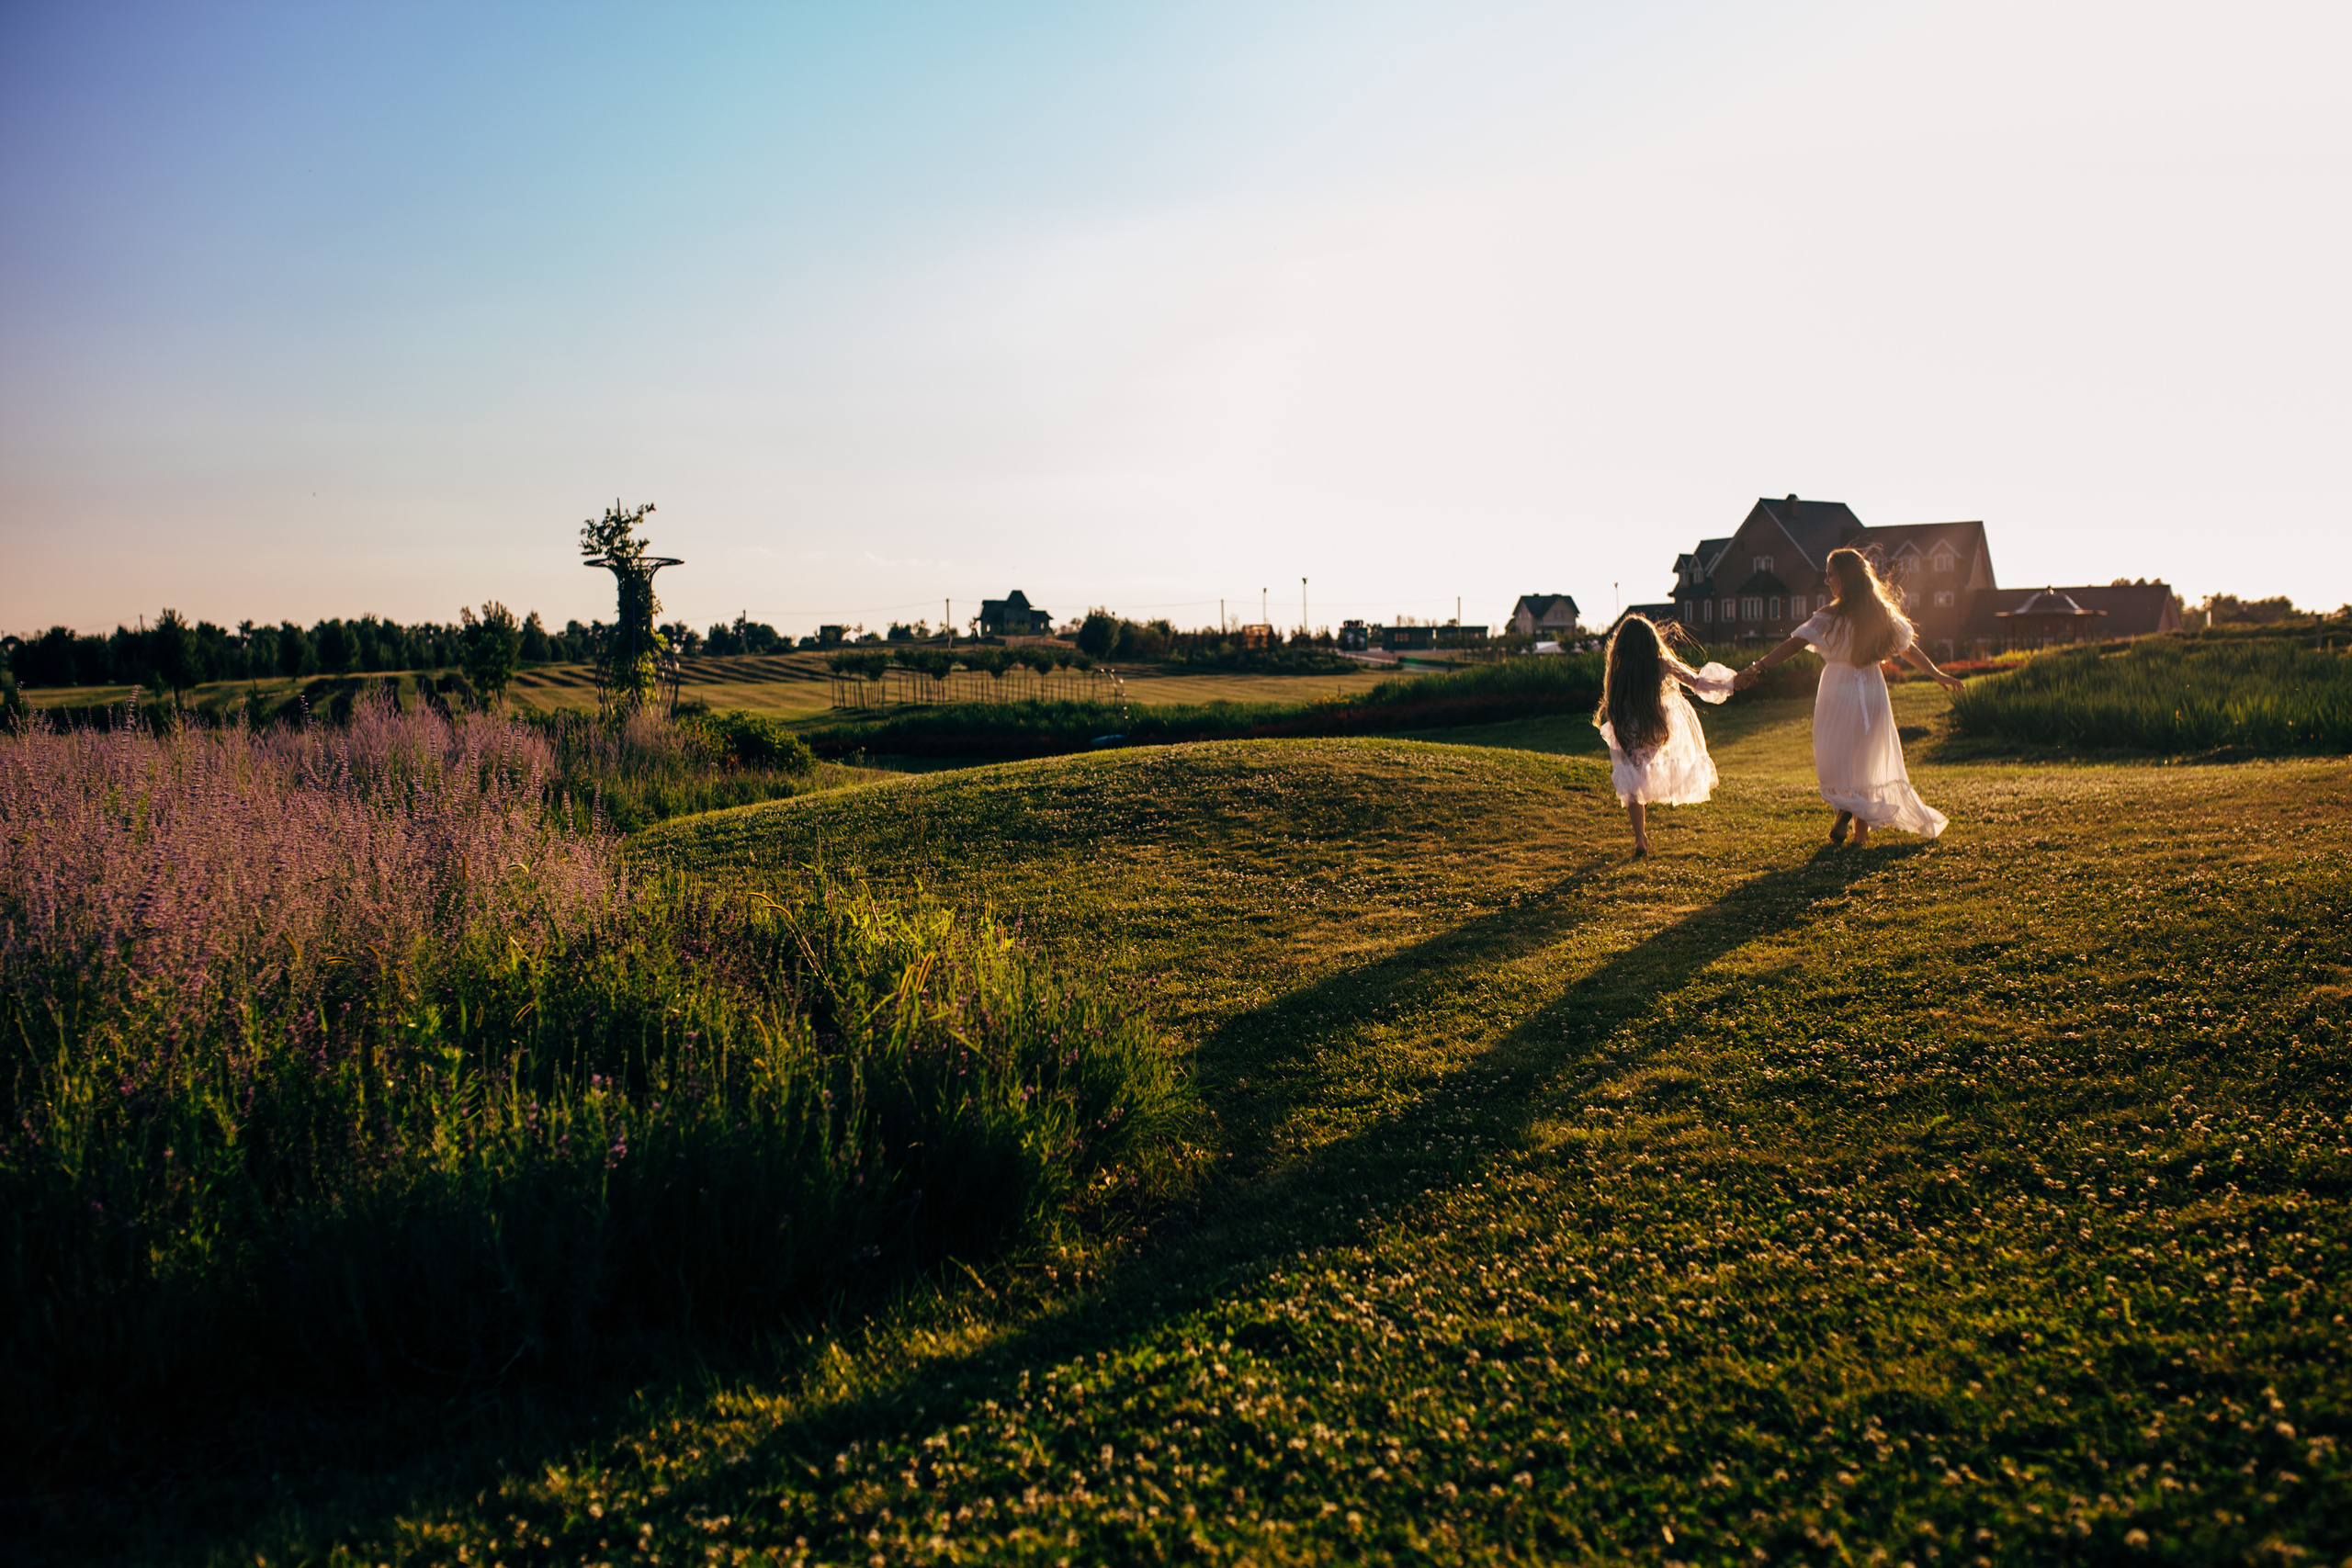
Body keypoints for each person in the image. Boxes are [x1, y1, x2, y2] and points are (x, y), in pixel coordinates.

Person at [1733, 547, 1962, 847]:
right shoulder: (1880, 614)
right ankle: (1859, 834)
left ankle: (1845, 811)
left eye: (1830, 574)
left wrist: (1757, 666)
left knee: (1837, 756)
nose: (1827, 581)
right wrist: (1937, 674)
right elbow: (1909, 650)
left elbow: (1794, 644)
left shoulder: (1830, 615)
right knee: (1865, 759)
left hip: (1837, 687)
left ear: (1845, 577)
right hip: (1870, 686)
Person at [1594, 614, 1738, 858]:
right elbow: (1697, 682)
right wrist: (1730, 682)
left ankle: (1640, 837)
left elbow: (1611, 700)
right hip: (1653, 729)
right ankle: (1641, 835)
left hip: (1628, 730)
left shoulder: (1619, 668)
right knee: (1641, 771)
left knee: (1632, 778)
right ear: (1652, 642)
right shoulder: (1661, 663)